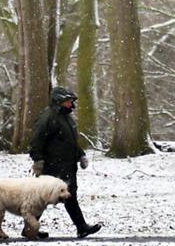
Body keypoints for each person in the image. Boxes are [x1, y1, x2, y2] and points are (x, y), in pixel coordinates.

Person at [29, 86, 102, 239]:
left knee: (69, 196)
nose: (70, 104)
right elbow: (37, 140)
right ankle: (30, 228)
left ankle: (81, 227)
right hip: (52, 166)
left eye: (71, 101)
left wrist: (80, 155)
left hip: (67, 165)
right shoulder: (47, 117)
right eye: (68, 101)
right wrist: (38, 160)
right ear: (59, 101)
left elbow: (70, 141)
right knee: (43, 198)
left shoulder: (67, 117)